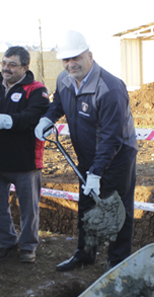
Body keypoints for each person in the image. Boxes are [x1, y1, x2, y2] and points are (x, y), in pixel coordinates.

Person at [34, 30, 138, 271]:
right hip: (87, 154)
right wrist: (47, 119)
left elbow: (112, 137)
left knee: (117, 209)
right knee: (87, 205)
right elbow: (58, 103)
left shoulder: (110, 88)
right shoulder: (64, 79)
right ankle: (85, 254)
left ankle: (118, 261)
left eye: (76, 58)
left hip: (118, 156)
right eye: (66, 60)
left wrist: (96, 173)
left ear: (89, 55)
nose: (71, 64)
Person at [0, 46, 50, 263]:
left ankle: (28, 246)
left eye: (12, 64)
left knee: (29, 209)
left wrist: (8, 121)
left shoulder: (36, 89)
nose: (6, 68)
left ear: (25, 67)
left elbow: (34, 114)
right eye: (3, 63)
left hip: (24, 161)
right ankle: (6, 242)